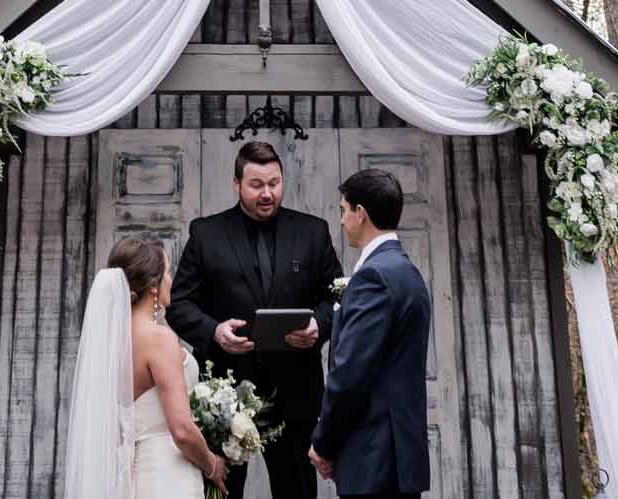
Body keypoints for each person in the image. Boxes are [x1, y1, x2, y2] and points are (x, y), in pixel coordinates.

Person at [168, 141, 345, 499]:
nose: (268, 193)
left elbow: (336, 298)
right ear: (236, 184)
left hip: (296, 396)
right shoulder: (205, 233)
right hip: (224, 400)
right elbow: (179, 303)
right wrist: (213, 332)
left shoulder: (314, 231)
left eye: (275, 183)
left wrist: (319, 327)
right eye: (256, 185)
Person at [64, 235, 229, 499]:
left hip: (128, 473)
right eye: (168, 274)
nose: (171, 282)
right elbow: (182, 430)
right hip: (168, 473)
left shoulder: (109, 342)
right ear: (153, 286)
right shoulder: (159, 339)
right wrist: (212, 466)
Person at [309, 168, 431, 499]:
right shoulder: (408, 273)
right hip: (397, 457)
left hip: (374, 456)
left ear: (360, 213)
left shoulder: (373, 277)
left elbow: (350, 374)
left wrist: (323, 442)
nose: (341, 220)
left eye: (343, 210)